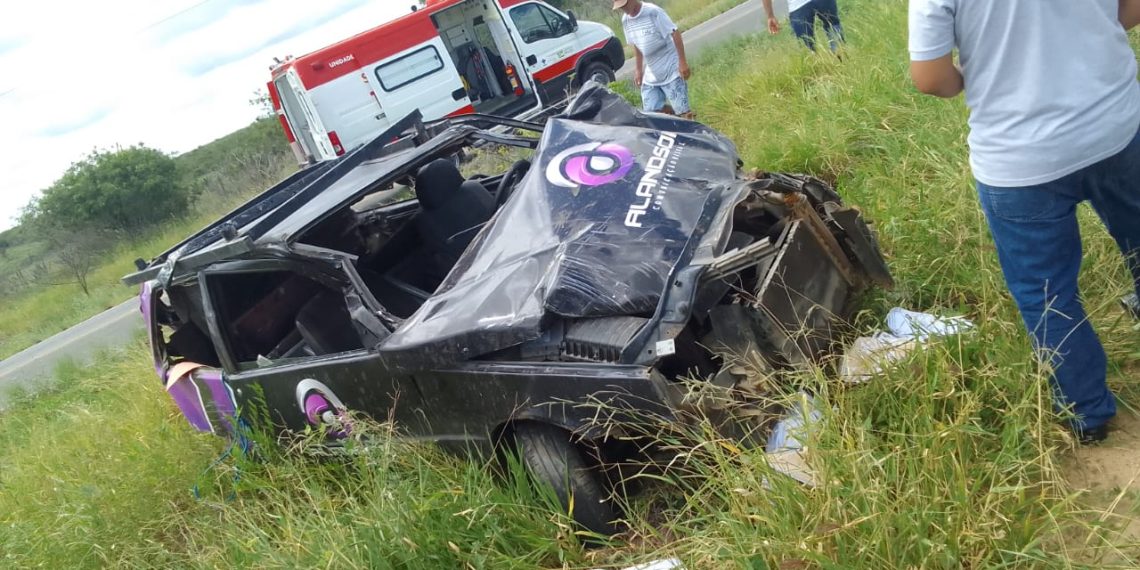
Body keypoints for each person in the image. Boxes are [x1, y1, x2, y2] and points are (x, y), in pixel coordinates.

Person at [908, 0, 1140, 444]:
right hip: (1116, 123)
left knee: (1046, 293)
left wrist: (975, 74)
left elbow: (931, 78)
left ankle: (1086, 414)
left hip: (1019, 157)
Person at [614, 0, 693, 118]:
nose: (623, 9)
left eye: (624, 5)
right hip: (652, 73)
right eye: (620, 7)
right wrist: (638, 70)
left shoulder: (653, 12)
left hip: (671, 69)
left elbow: (675, 33)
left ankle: (689, 123)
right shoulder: (626, 20)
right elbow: (637, 44)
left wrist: (682, 62)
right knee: (651, 114)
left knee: (684, 113)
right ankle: (673, 116)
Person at [762, 0, 845, 53]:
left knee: (806, 45)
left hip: (798, 6)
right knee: (833, 26)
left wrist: (770, 15)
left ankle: (819, 72)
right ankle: (841, 61)